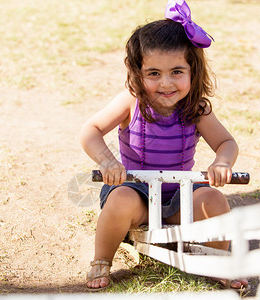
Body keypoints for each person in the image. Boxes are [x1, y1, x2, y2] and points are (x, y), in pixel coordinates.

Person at [80, 0, 248, 292]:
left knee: (215, 201)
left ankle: (219, 260)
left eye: (177, 72)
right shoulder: (131, 102)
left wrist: (222, 162)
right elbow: (90, 131)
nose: (166, 83)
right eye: (153, 73)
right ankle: (102, 258)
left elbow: (226, 142)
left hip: (179, 196)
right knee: (120, 201)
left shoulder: (197, 108)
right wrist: (107, 161)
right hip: (136, 192)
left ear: (192, 70)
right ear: (137, 73)